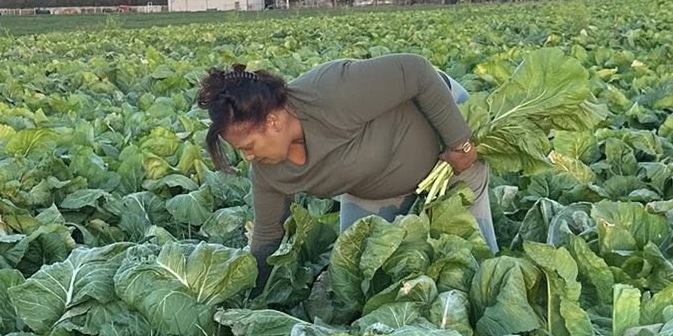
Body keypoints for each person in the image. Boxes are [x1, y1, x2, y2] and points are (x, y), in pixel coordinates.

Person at [197, 54, 498, 285]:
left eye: (248, 146)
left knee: (476, 268)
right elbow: (267, 235)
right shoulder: (268, 172)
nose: (247, 157)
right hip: (372, 187)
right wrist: (255, 292)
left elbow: (417, 72)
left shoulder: (330, 92)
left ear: (273, 122)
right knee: (355, 274)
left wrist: (460, 144)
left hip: (448, 145)